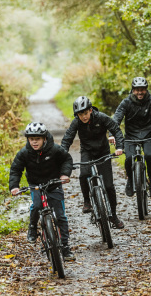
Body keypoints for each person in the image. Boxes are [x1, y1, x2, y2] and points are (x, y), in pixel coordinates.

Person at [9, 122, 76, 261]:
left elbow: (67, 159)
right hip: (36, 184)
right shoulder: (24, 153)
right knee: (37, 205)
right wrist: (14, 186)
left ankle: (65, 246)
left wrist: (64, 174)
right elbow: (16, 169)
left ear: (44, 138)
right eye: (31, 138)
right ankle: (33, 227)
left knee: (60, 216)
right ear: (28, 139)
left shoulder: (55, 149)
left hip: (53, 184)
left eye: (37, 139)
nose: (34, 142)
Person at [60, 96, 126, 228]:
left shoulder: (101, 117)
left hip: (103, 152)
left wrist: (119, 147)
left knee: (109, 186)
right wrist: (61, 155)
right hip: (87, 152)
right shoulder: (76, 123)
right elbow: (67, 138)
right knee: (83, 174)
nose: (83, 117)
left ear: (90, 110)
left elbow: (116, 130)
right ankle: (87, 201)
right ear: (77, 115)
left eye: (85, 113)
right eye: (80, 114)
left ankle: (113, 215)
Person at [111, 77, 151, 198]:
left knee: (149, 156)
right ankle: (130, 181)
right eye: (137, 90)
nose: (140, 92)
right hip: (131, 136)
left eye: (142, 90)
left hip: (148, 135)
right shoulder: (126, 103)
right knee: (129, 158)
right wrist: (112, 134)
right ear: (133, 90)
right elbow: (117, 118)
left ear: (146, 90)